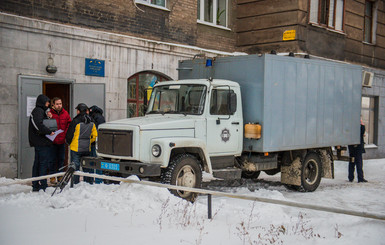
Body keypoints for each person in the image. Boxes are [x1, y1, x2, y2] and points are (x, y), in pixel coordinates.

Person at [65, 103, 97, 184]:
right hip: (87, 148)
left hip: (75, 148)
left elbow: (69, 135)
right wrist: (89, 141)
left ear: (78, 111)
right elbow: (95, 136)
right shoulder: (91, 121)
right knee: (87, 168)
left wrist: (69, 143)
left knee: (75, 168)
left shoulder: (75, 121)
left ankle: (75, 184)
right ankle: (88, 184)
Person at [28, 94, 55, 192]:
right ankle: (42, 184)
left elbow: (41, 124)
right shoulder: (38, 111)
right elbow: (38, 125)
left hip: (40, 142)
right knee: (42, 163)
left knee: (38, 163)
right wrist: (49, 132)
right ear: (42, 102)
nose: (48, 105)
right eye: (47, 102)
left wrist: (48, 118)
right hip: (41, 142)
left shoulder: (40, 111)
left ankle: (36, 184)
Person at [49, 97, 71, 184]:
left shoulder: (65, 113)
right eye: (57, 104)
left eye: (60, 104)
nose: (59, 105)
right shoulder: (49, 113)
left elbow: (69, 124)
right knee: (52, 160)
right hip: (52, 142)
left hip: (62, 141)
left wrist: (65, 134)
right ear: (53, 105)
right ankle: (52, 176)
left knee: (61, 159)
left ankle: (60, 175)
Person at [89, 105, 106, 184]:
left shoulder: (94, 117)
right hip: (101, 142)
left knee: (93, 161)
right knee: (99, 161)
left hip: (94, 142)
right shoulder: (101, 117)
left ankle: (92, 179)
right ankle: (99, 179)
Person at [348, 118, 368, 183]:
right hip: (358, 147)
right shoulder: (359, 126)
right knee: (359, 162)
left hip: (351, 146)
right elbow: (362, 131)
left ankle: (350, 177)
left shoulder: (350, 126)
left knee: (352, 162)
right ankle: (360, 178)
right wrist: (362, 124)